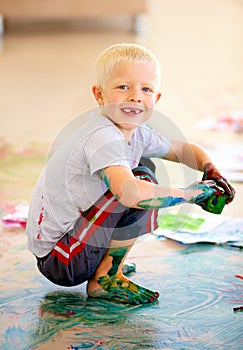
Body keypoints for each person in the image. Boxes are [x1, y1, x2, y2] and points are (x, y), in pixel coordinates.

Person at [26, 43, 235, 305]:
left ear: (156, 100)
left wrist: (210, 169)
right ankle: (105, 278)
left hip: (72, 246)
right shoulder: (102, 137)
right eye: (123, 87)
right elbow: (129, 192)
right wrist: (192, 194)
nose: (135, 97)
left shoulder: (136, 133)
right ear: (99, 95)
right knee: (140, 183)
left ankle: (107, 265)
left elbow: (184, 149)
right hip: (61, 259)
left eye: (146, 89)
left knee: (145, 165)